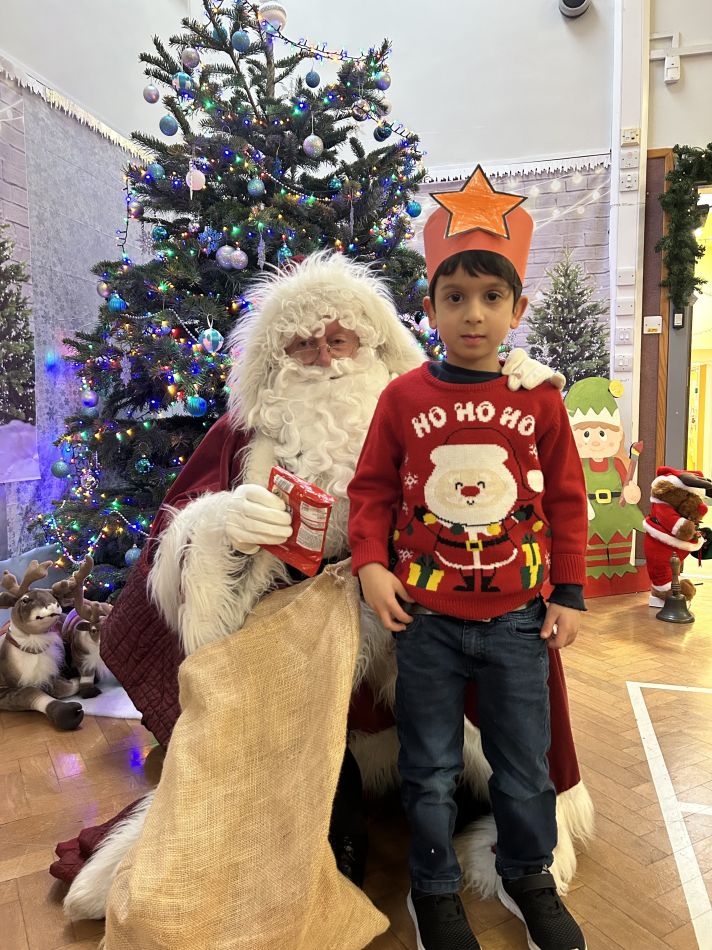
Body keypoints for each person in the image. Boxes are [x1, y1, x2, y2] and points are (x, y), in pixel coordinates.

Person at [52, 251, 593, 932]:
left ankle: (518, 854)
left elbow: (521, 462)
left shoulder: (416, 400)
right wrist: (224, 525)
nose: (324, 358)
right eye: (303, 345)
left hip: (431, 600)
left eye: (339, 340)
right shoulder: (248, 431)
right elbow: (183, 549)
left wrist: (566, 583)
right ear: (274, 357)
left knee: (505, 735)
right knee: (269, 691)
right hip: (298, 615)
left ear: (372, 343)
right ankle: (317, 837)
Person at [348, 166, 589, 950]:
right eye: (455, 297)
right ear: (431, 310)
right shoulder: (402, 399)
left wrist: (570, 591)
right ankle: (433, 891)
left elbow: (566, 499)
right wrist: (370, 564)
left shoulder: (539, 398)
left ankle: (528, 875)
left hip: (519, 620)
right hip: (426, 623)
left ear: (518, 309)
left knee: (524, 766)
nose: (473, 313)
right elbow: (371, 489)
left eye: (491, 297)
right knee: (428, 769)